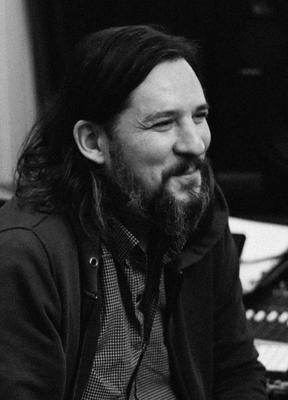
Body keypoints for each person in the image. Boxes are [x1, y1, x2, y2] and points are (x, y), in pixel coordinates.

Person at [0, 25, 267, 399]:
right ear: (93, 142)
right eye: (163, 123)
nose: (195, 144)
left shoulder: (196, 206)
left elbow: (236, 371)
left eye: (199, 116)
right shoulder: (25, 254)